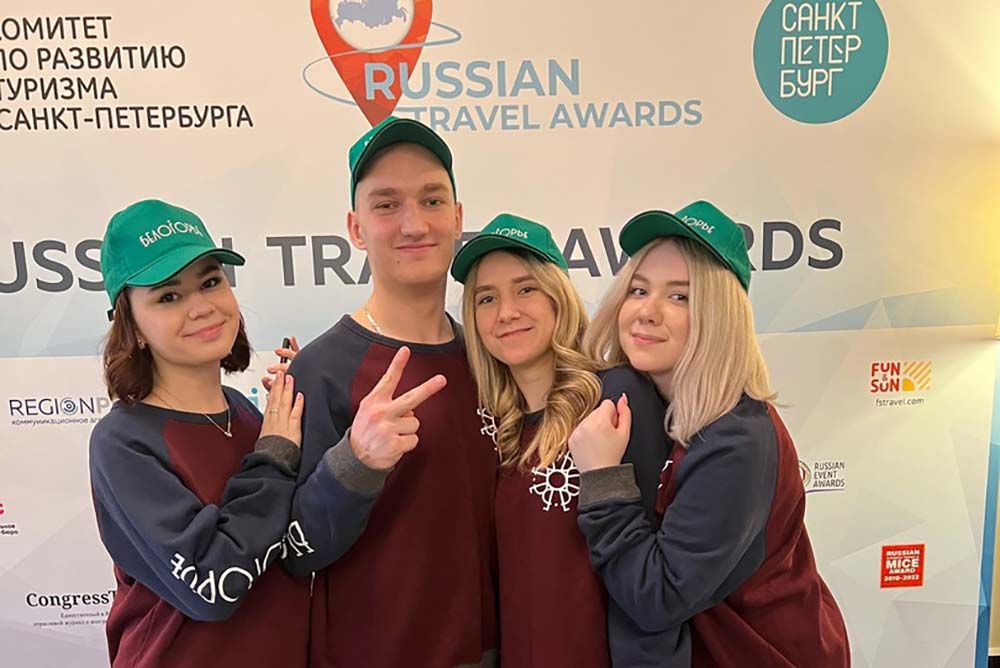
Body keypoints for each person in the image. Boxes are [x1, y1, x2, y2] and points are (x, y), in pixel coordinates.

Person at [569, 200, 851, 667]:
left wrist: (603, 479)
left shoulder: (737, 441)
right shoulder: (653, 404)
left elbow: (657, 597)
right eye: (639, 289)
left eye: (680, 297)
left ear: (720, 316)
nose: (647, 311)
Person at [284, 117, 498, 667]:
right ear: (356, 228)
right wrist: (353, 465)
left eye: (432, 200)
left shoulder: (494, 357)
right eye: (387, 204)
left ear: (457, 218)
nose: (414, 223)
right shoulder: (320, 370)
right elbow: (293, 552)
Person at [88, 199, 309, 668]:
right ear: (132, 326)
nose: (202, 307)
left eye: (210, 282)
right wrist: (275, 456)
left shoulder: (249, 415)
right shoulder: (123, 443)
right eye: (169, 297)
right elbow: (212, 587)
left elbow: (295, 545)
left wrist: (317, 419)